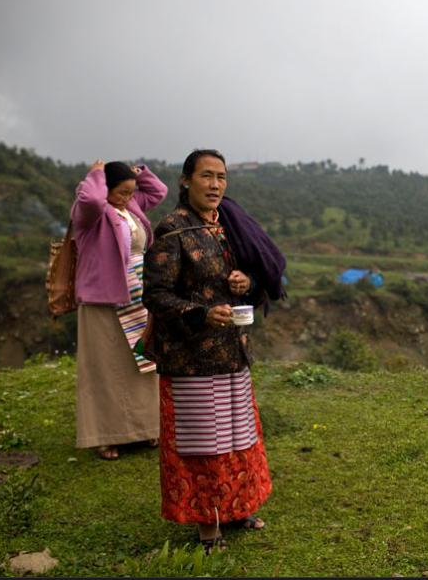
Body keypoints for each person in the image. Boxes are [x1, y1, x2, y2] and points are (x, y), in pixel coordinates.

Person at [143, 148, 286, 552]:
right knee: (203, 443)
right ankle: (209, 527)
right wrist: (201, 314)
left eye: (221, 177)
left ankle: (238, 507)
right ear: (185, 181)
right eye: (206, 176)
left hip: (232, 353)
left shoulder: (229, 226)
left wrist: (247, 284)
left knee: (238, 437)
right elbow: (155, 295)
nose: (215, 185)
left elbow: (257, 281)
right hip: (191, 360)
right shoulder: (172, 231)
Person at [71, 159, 168, 460]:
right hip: (104, 300)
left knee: (143, 360)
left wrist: (140, 172)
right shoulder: (92, 213)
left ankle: (146, 427)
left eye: (131, 192)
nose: (128, 197)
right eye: (122, 192)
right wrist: (96, 173)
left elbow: (158, 192)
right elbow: (90, 197)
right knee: (106, 368)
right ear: (106, 188)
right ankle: (107, 436)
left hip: (138, 294)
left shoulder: (130, 207)